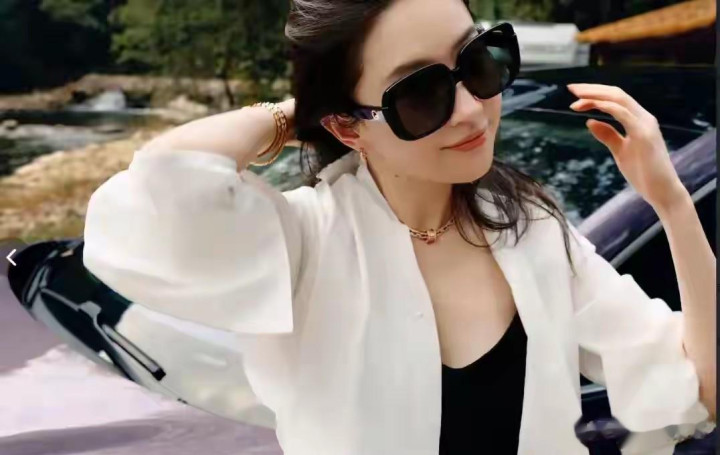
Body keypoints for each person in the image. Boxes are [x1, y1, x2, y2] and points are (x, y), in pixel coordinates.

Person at [82, 0, 716, 453]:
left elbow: (701, 389)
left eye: (478, 62)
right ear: (345, 125)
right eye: (420, 94)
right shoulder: (305, 244)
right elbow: (156, 196)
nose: (470, 110)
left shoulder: (534, 231)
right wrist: (292, 114)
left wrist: (671, 202)